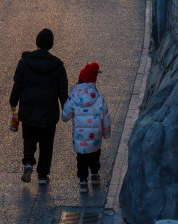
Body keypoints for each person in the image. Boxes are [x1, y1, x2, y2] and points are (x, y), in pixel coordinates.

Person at [9, 28, 69, 185]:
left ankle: (28, 163)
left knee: (28, 139)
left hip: (28, 111)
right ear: (51, 45)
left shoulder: (24, 62)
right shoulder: (58, 67)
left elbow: (18, 85)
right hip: (48, 113)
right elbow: (63, 93)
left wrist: (13, 102)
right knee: (46, 144)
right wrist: (67, 111)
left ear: (37, 42)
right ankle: (43, 175)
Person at [61, 62, 111, 194]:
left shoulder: (73, 96)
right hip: (95, 136)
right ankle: (94, 174)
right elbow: (105, 117)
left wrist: (67, 116)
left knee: (81, 158)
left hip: (80, 137)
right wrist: (106, 133)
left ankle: (83, 181)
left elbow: (65, 115)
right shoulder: (99, 98)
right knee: (95, 155)